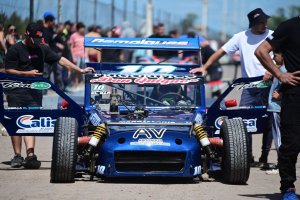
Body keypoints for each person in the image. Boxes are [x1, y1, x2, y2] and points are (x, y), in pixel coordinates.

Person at [4, 23, 94, 169]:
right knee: (17, 121)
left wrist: (80, 70)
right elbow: (8, 70)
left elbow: (61, 60)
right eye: (34, 39)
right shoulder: (15, 49)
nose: (37, 42)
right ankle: (17, 155)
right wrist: (26, 74)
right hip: (16, 91)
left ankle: (30, 155)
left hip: (35, 92)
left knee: (30, 121)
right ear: (27, 34)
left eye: (39, 39)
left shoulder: (42, 48)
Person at [190, 8, 273, 164]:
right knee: (242, 120)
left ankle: (265, 156)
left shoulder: (272, 35)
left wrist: (273, 70)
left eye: (265, 21)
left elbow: (282, 56)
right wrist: (205, 67)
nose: (264, 24)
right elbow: (220, 52)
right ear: (253, 23)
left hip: (269, 83)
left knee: (270, 119)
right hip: (248, 86)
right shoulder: (241, 37)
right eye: (261, 22)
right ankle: (247, 155)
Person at [255, 16, 300, 199]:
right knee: (292, 143)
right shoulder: (290, 26)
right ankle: (288, 188)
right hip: (296, 93)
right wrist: (280, 75)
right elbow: (261, 51)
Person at [265, 50, 286, 175]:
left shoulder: (282, 72)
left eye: (276, 55)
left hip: (276, 107)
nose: (273, 57)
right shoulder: (282, 69)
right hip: (278, 107)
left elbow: (288, 86)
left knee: (278, 137)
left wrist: (280, 95)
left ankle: (281, 166)